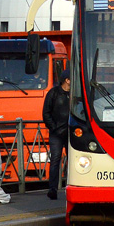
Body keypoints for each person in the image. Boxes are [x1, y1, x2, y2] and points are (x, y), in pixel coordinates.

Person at [42, 71, 71, 201]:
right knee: (55, 160)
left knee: (73, 161)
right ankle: (52, 188)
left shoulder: (74, 94)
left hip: (71, 133)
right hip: (57, 134)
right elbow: (46, 113)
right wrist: (54, 128)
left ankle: (71, 186)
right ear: (67, 80)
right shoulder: (53, 93)